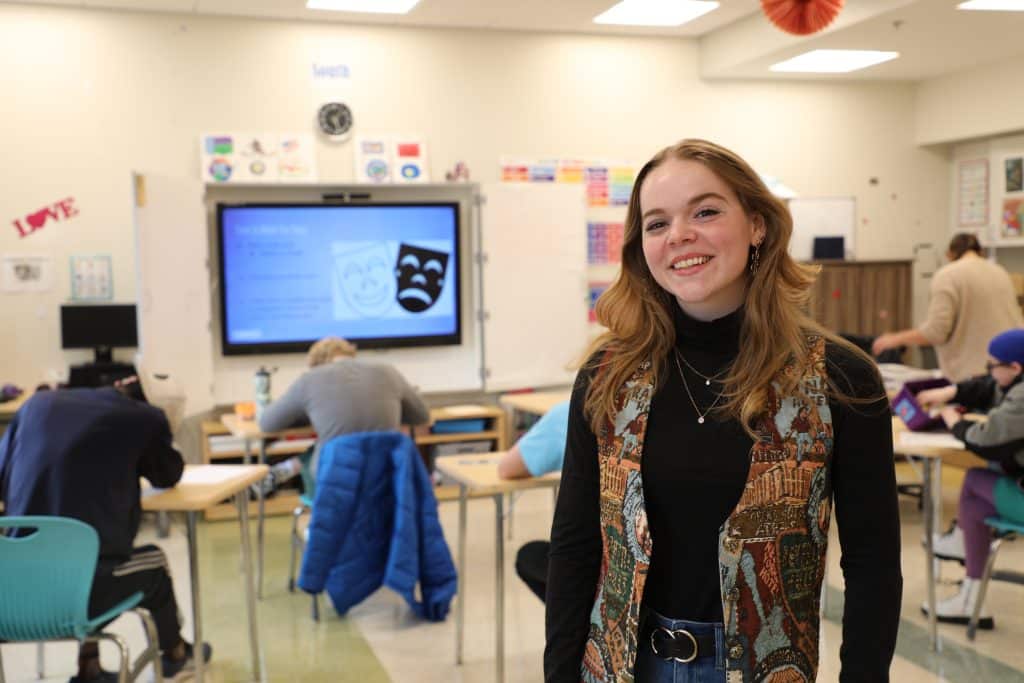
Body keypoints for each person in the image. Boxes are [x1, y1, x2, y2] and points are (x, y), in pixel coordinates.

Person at [545, 139, 901, 683]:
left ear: (757, 224)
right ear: (643, 246)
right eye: (657, 223)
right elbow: (575, 547)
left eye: (705, 211)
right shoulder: (609, 377)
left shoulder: (839, 379)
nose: (680, 235)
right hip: (621, 667)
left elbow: (872, 562)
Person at [0, 373, 211, 683]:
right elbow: (167, 474)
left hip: (12, 594)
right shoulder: (143, 418)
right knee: (150, 563)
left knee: (79, 555)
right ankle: (177, 656)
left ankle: (89, 667)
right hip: (78, 596)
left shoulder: (36, 405)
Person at [914, 328, 1024, 627]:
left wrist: (955, 422)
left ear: (1015, 368)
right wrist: (952, 392)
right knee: (975, 508)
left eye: (993, 365)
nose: (988, 372)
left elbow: (984, 440)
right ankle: (971, 598)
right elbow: (988, 387)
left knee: (975, 479)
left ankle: (961, 547)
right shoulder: (1015, 380)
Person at [257, 336, 431, 491]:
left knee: (319, 450)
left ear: (317, 364)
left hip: (335, 476)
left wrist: (308, 415)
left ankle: (289, 476)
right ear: (351, 355)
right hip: (388, 472)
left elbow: (268, 423)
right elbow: (422, 416)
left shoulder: (310, 379)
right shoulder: (388, 371)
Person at [872, 233, 1022, 382]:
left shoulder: (948, 275)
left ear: (949, 254)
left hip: (973, 376)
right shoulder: (1000, 271)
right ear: (980, 251)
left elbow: (936, 332)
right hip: (1007, 370)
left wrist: (894, 339)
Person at [496, 399, 570, 601]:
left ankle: (581, 629)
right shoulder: (661, 408)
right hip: (657, 570)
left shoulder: (572, 412)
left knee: (529, 557)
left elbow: (507, 468)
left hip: (599, 572)